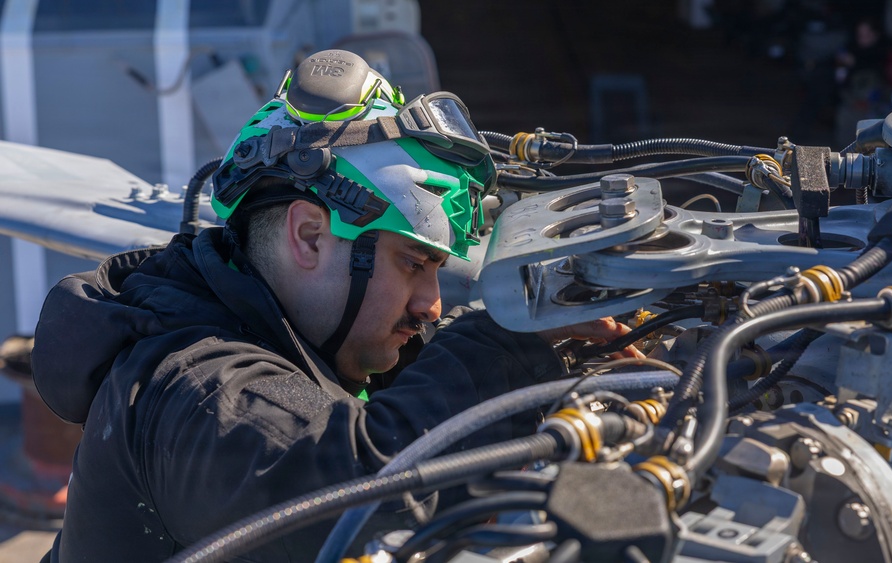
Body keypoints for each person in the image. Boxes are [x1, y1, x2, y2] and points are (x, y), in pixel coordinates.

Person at [30, 49, 638, 562]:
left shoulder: (300, 331)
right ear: (309, 236)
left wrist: (555, 357)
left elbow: (419, 388)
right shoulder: (194, 390)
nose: (431, 305)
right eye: (412, 263)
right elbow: (350, 491)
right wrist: (506, 347)